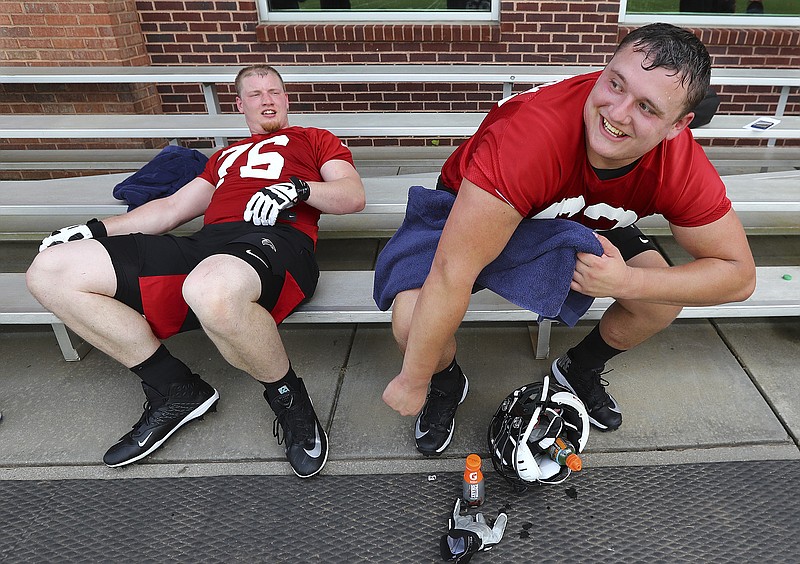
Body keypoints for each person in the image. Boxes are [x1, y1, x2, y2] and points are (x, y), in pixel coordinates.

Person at [375, 23, 756, 456]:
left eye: (647, 107)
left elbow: (738, 276)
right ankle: (445, 383)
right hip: (484, 203)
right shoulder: (530, 137)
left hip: (583, 214)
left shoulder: (679, 163)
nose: (617, 112)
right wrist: (415, 378)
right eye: (615, 84)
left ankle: (579, 370)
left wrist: (626, 282)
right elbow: (451, 273)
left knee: (660, 297)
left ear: (678, 124)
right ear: (604, 69)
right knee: (411, 321)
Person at [26, 64, 365, 478]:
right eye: (255, 94)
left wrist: (300, 189)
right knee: (50, 271)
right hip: (207, 243)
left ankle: (289, 397)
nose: (267, 99)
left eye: (274, 90)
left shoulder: (314, 140)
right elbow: (169, 210)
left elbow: (351, 195)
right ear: (239, 105)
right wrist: (93, 229)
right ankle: (175, 390)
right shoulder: (222, 157)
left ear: (286, 98)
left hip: (277, 239)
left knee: (211, 288)